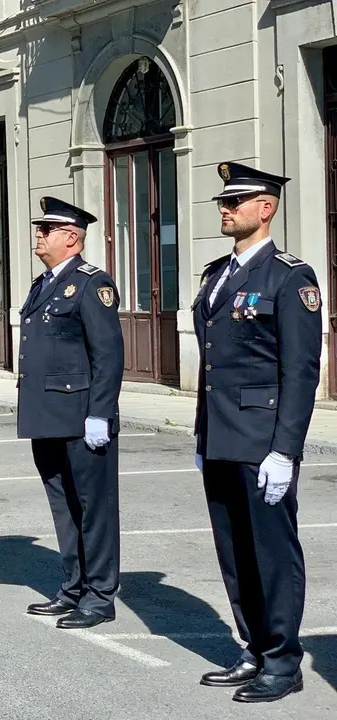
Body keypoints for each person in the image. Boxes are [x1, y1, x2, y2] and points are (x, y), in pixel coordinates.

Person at [194, 162, 322, 703]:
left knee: (272, 551)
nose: (225, 208)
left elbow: (301, 371)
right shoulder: (213, 274)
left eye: (237, 200)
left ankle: (282, 660)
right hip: (220, 435)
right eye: (223, 201)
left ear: (265, 208)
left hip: (262, 438)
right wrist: (203, 436)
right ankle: (252, 645)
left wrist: (285, 450)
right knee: (234, 550)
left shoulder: (290, 276)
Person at [16, 197, 124, 629]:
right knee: (64, 506)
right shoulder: (42, 284)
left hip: (81, 416)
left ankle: (100, 595)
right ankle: (74, 586)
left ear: (72, 237)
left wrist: (100, 413)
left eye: (48, 229)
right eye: (40, 228)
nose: (39, 235)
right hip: (48, 415)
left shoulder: (91, 283)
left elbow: (108, 354)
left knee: (93, 508)